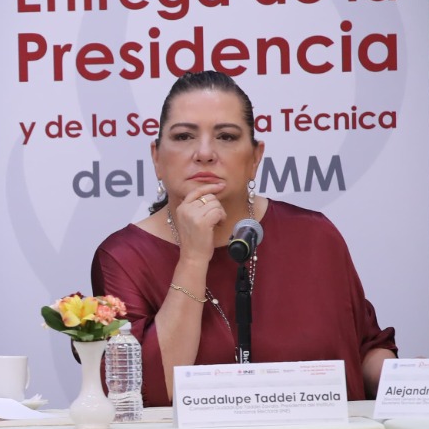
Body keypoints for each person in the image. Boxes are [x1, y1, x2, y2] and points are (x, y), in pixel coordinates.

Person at [91, 70, 396, 406]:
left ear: (254, 158)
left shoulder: (315, 234)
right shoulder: (123, 256)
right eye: (183, 137)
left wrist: (414, 384)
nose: (205, 152)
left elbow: (366, 348)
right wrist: (193, 258)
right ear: (157, 158)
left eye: (226, 136)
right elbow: (146, 392)